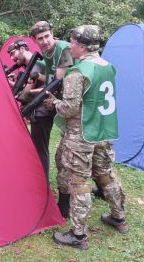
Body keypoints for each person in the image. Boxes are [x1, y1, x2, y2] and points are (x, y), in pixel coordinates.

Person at [44, 25, 127, 250]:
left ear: (80, 46)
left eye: (72, 43)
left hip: (81, 134)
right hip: (103, 131)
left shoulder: (78, 72)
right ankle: (119, 217)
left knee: (79, 183)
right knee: (105, 175)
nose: (69, 46)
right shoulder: (108, 67)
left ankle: (78, 235)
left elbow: (69, 109)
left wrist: (53, 102)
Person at [30, 21, 74, 219]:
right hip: (60, 99)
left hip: (76, 102)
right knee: (38, 122)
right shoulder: (46, 55)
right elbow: (49, 80)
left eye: (47, 36)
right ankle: (40, 181)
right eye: (40, 38)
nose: (45, 41)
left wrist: (31, 96)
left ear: (52, 34)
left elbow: (57, 82)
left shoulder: (64, 48)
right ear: (35, 41)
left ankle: (68, 200)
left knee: (78, 150)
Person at [6, 40, 50, 176]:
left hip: (41, 111)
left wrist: (8, 84)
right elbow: (28, 90)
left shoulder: (35, 64)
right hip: (39, 111)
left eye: (13, 53)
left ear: (23, 49)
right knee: (39, 146)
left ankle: (43, 181)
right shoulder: (31, 65)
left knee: (40, 148)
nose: (12, 58)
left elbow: (25, 94)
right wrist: (15, 83)